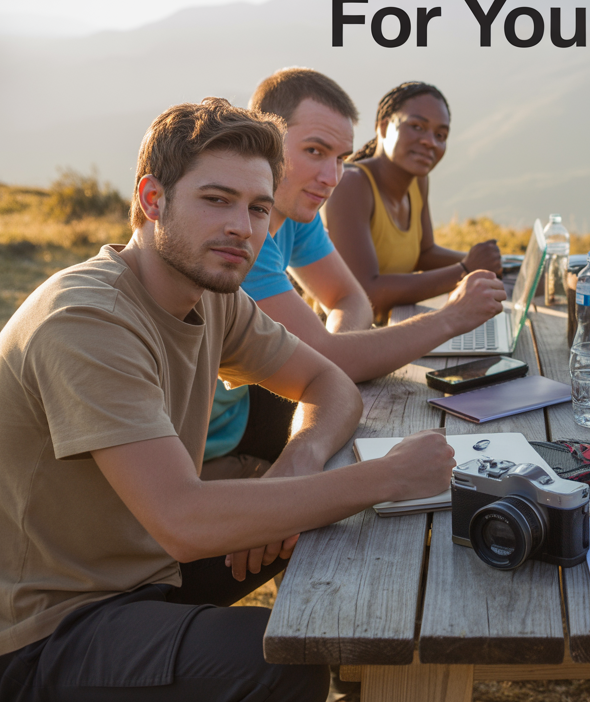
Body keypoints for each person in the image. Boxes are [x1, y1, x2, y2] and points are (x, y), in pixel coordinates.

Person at [0, 99, 458, 700]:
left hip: (148, 565)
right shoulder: (87, 320)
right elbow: (184, 521)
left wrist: (296, 462)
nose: (243, 227)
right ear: (152, 198)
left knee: (316, 518)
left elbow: (331, 387)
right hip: (47, 624)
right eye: (217, 200)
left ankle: (381, 673)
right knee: (284, 658)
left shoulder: (210, 291)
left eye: (259, 208)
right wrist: (388, 478)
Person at [202, 68, 506, 481]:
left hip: (245, 404)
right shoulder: (237, 242)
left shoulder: (294, 210)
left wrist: (335, 355)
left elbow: (351, 299)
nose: (331, 178)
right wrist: (450, 317)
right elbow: (333, 351)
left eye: (340, 158)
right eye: (314, 151)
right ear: (265, 140)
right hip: (216, 441)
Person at [323, 80, 503, 322]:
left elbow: (423, 253)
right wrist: (465, 270)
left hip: (391, 330)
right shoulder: (351, 185)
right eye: (417, 127)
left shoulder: (417, 181)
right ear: (384, 128)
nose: (430, 141)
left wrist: (497, 264)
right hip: (338, 341)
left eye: (441, 135)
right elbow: (365, 293)